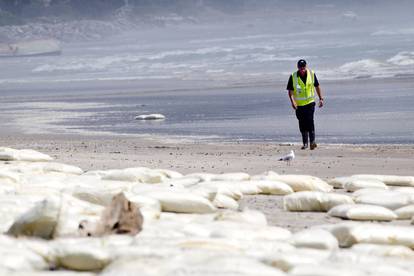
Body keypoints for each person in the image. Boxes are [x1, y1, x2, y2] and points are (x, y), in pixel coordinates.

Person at [286, 59, 324, 150]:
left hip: (310, 103)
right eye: (300, 67)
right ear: (298, 67)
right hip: (299, 105)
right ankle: (305, 143)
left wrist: (321, 98)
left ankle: (312, 142)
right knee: (302, 123)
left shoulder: (311, 74)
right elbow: (290, 91)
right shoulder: (293, 76)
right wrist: (293, 102)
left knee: (310, 121)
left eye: (303, 67)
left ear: (306, 66)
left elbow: (317, 86)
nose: (302, 69)